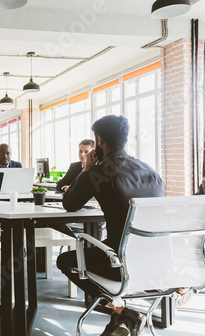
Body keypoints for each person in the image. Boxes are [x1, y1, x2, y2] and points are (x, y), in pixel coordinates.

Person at [56, 115, 165, 336]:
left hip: (119, 264)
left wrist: (86, 169)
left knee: (65, 260)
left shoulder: (97, 173)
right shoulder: (151, 171)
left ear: (99, 140)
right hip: (158, 262)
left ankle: (121, 310)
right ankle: (121, 316)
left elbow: (70, 203)